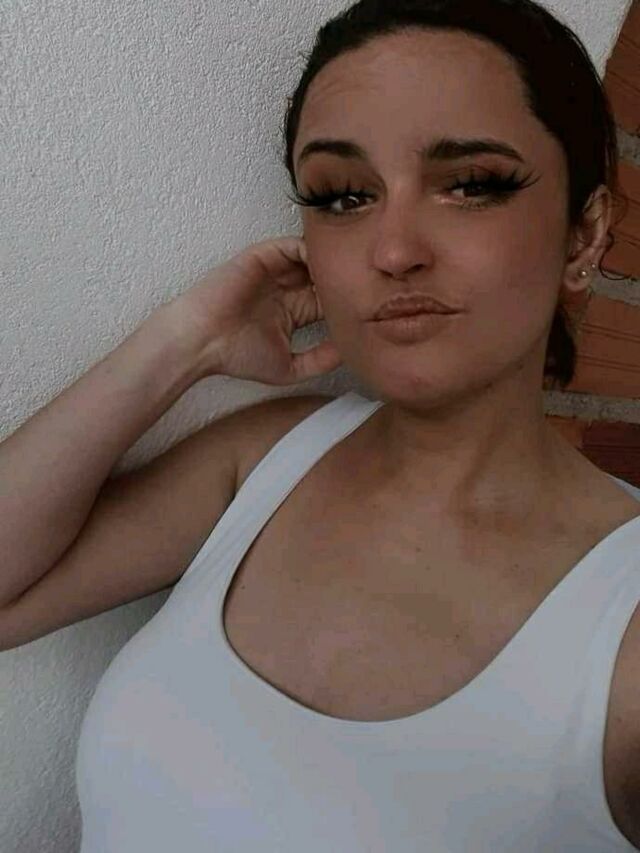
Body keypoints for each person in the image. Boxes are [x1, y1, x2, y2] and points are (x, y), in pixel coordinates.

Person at [1, 0, 639, 850]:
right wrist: (184, 343)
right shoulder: (267, 460)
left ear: (585, 234)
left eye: (471, 183)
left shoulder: (624, 618)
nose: (393, 250)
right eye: (344, 197)